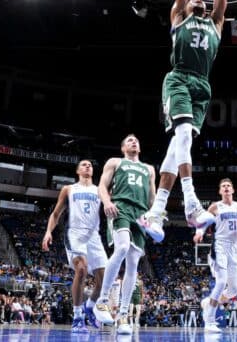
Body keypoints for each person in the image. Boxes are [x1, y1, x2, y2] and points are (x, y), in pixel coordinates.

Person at [139, 0, 228, 241]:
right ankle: (191, 204)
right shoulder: (179, 16)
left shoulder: (216, 25)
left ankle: (155, 213)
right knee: (184, 136)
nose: (199, 0)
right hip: (178, 79)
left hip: (202, 85)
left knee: (177, 146)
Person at [93, 134, 156, 335]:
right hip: (120, 206)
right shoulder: (115, 162)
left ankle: (122, 316)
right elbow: (102, 186)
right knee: (121, 247)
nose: (134, 141)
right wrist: (106, 202)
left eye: (136, 140)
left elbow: (153, 199)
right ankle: (102, 301)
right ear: (123, 148)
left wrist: (157, 220)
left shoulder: (149, 169)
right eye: (129, 140)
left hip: (141, 214)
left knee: (133, 265)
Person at [42, 159, 108, 333]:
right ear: (78, 170)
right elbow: (56, 214)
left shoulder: (99, 190)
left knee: (104, 278)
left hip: (94, 235)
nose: (88, 166)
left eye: (90, 165)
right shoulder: (69, 189)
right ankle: (78, 316)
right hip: (75, 233)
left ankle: (90, 306)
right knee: (81, 269)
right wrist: (48, 232)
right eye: (84, 165)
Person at [193, 178, 237, 332]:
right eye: (223, 186)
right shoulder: (215, 206)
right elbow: (203, 222)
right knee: (221, 281)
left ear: (233, 190)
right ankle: (209, 320)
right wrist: (199, 233)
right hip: (220, 246)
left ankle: (208, 302)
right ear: (220, 191)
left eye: (228, 186)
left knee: (234, 290)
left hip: (236, 249)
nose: (226, 188)